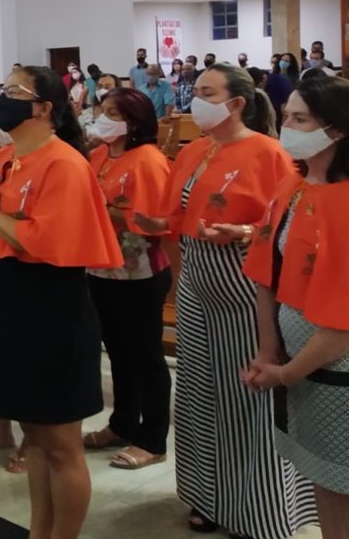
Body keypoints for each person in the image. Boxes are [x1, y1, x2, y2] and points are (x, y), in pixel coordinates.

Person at [135, 64, 314, 537]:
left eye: (208, 92)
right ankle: (208, 494)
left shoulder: (268, 152)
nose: (196, 100)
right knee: (199, 390)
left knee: (246, 394)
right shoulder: (195, 149)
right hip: (197, 279)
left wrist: (246, 231)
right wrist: (157, 225)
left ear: (236, 103)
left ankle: (256, 508)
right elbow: (180, 214)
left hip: (244, 283)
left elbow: (287, 223)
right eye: (195, 91)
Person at [0, 65, 121, 539]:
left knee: (60, 443)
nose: (1, 98)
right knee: (33, 437)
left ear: (44, 107)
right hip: (6, 303)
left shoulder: (64, 163)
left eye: (13, 91)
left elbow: (49, 243)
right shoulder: (2, 159)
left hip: (49, 309)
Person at [243, 76, 349, 536]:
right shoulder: (293, 186)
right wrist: (269, 351)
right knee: (324, 481)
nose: (286, 127)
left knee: (343, 484)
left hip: (335, 367)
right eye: (286, 116)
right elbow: (266, 274)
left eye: (300, 120)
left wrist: (286, 373)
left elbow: (341, 326)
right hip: (298, 363)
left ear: (337, 130)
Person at [80, 88, 173, 471]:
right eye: (102, 110)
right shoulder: (100, 155)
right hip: (101, 266)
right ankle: (122, 423)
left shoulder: (148, 160)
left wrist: (100, 211)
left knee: (145, 355)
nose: (104, 118)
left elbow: (153, 221)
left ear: (134, 122)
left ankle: (152, 438)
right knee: (117, 352)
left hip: (139, 270)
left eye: (113, 113)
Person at [78, 73, 118, 138]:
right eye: (99, 86)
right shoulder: (86, 114)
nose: (102, 90)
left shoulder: (123, 115)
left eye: (107, 87)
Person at [266, 53, 301, 129]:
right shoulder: (272, 76)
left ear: (291, 64)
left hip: (287, 107)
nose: (283, 62)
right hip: (273, 106)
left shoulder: (295, 78)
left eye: (286, 61)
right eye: (282, 60)